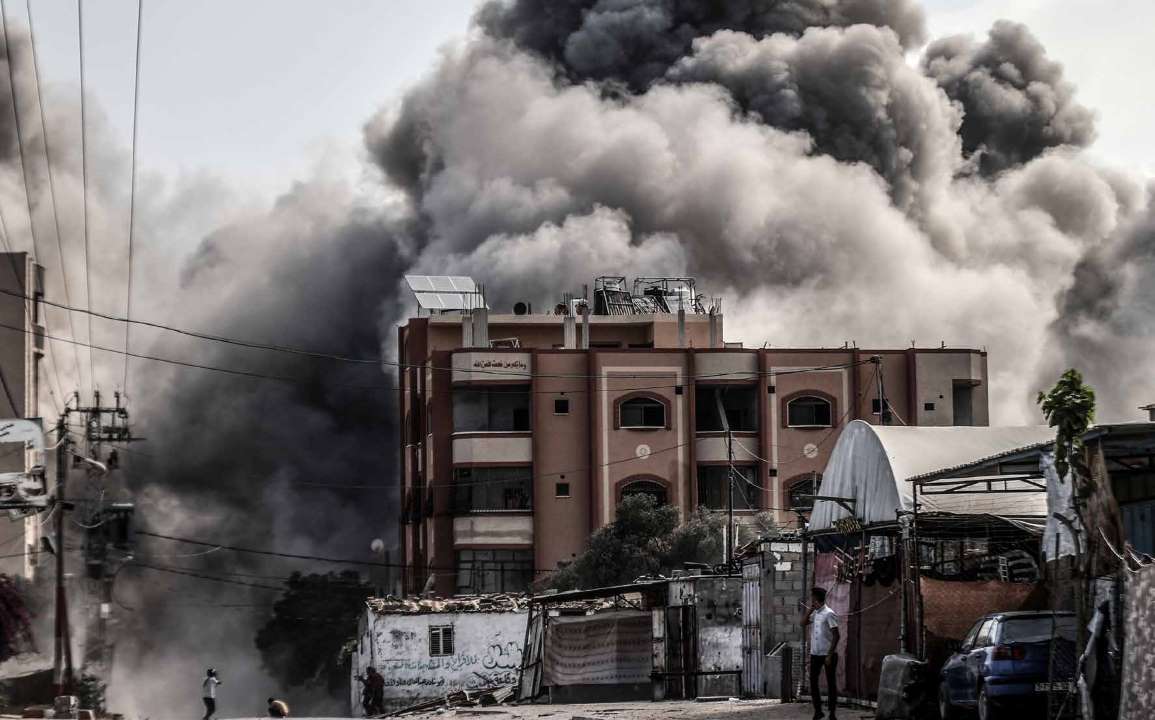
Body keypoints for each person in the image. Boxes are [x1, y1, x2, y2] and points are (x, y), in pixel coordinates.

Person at [801, 587, 840, 720]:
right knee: (813, 682)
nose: (810, 599)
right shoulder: (815, 613)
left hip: (828, 654)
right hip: (815, 654)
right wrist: (809, 610)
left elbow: (836, 636)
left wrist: (829, 655)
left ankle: (832, 713)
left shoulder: (829, 613)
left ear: (816, 598)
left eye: (812, 597)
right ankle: (818, 711)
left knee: (831, 683)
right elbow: (803, 623)